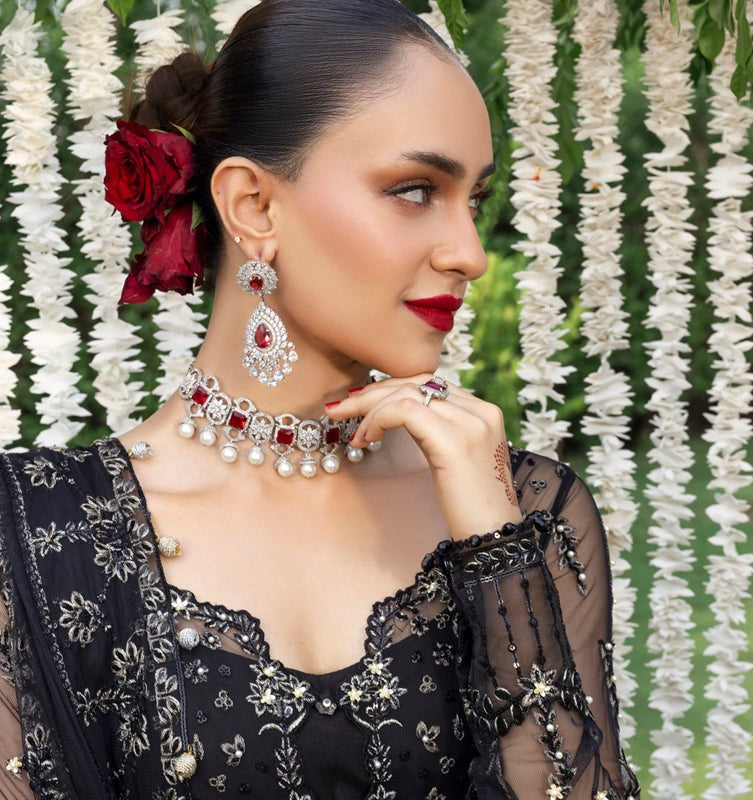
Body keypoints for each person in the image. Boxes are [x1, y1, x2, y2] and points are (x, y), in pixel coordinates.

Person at [0, 1, 639, 798]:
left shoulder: (528, 509)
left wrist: (496, 550)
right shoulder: (34, 532)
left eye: (473, 199)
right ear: (253, 206)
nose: (470, 254)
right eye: (415, 189)